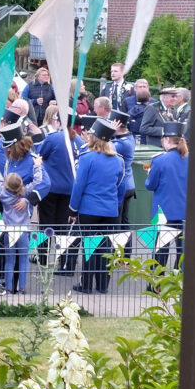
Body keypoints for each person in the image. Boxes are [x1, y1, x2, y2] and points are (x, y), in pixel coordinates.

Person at [70, 118, 125, 294]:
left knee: (89, 248)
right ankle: (102, 286)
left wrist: (73, 209)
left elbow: (79, 186)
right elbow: (120, 186)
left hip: (89, 209)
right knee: (106, 249)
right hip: (110, 210)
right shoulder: (119, 160)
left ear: (96, 137)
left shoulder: (87, 158)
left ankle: (86, 285)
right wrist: (114, 205)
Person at [0, 154, 46, 294]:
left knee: (9, 261)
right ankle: (21, 289)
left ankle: (8, 288)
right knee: (24, 260)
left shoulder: (2, 193)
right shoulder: (25, 192)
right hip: (24, 230)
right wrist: (37, 165)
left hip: (9, 231)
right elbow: (38, 180)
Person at [36, 115, 84, 274]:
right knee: (64, 227)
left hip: (50, 188)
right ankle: (63, 261)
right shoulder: (79, 141)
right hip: (70, 190)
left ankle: (42, 258)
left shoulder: (53, 138)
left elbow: (39, 156)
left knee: (45, 224)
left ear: (59, 122)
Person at [144, 121, 189, 269]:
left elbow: (150, 185)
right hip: (184, 212)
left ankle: (156, 287)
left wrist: (150, 174)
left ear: (167, 139)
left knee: (160, 252)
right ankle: (180, 286)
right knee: (182, 254)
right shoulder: (189, 159)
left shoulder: (159, 160)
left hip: (163, 212)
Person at [110, 109, 136, 224]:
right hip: (129, 184)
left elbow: (103, 148)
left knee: (118, 221)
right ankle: (128, 242)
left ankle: (120, 242)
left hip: (123, 186)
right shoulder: (129, 138)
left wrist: (109, 132)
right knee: (124, 220)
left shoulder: (122, 144)